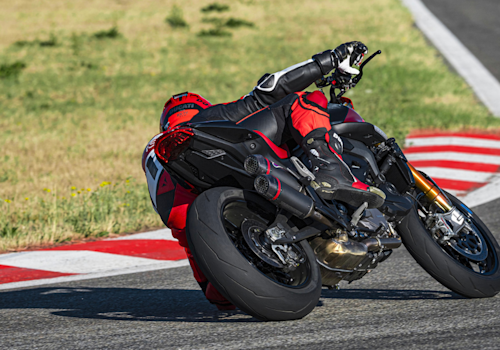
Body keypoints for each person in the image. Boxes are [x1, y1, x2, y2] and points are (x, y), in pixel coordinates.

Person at [142, 41, 385, 310]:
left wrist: (224, 283)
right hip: (219, 172)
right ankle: (331, 169)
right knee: (304, 100)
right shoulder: (206, 120)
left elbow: (211, 286)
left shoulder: (155, 170)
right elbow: (268, 90)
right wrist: (327, 61)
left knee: (214, 290)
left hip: (182, 208)